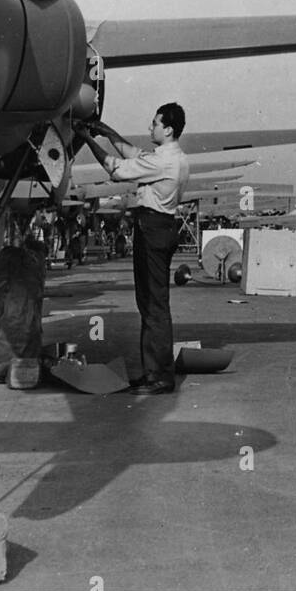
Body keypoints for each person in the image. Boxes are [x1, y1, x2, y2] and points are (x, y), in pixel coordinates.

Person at [76, 104, 189, 395]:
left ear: (168, 129)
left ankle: (161, 376)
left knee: (154, 305)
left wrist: (87, 140)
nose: (149, 128)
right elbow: (135, 155)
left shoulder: (164, 162)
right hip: (158, 227)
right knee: (149, 303)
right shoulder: (172, 157)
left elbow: (117, 169)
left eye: (154, 124)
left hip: (152, 229)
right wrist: (107, 133)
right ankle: (153, 372)